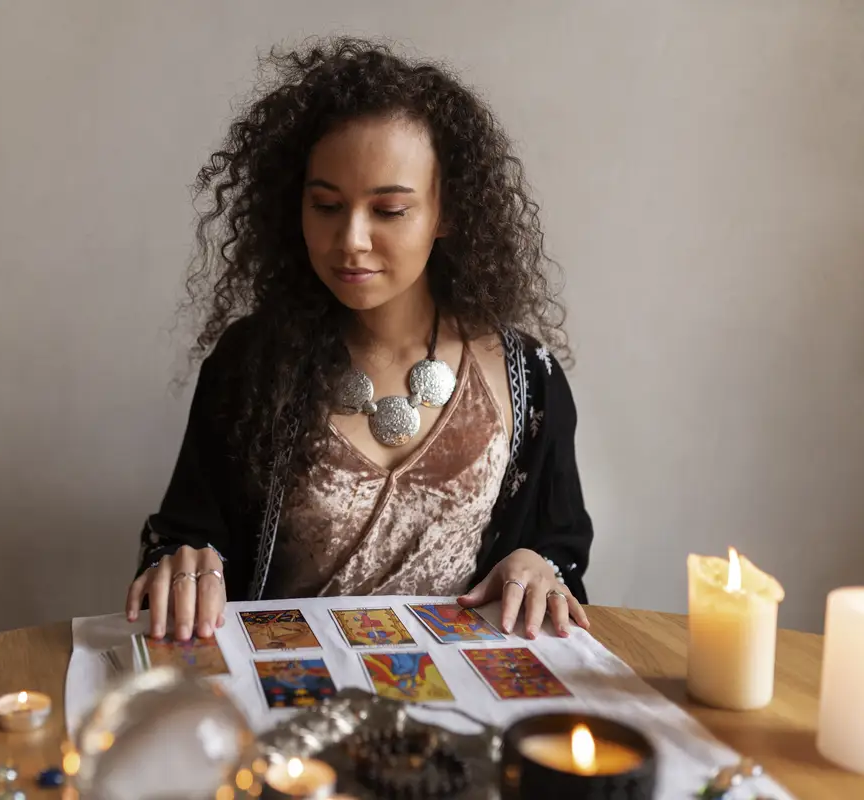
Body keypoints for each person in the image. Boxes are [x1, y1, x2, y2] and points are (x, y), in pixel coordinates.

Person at [125, 37, 593, 646]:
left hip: (461, 704)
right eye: (325, 205)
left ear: (446, 212)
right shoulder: (251, 365)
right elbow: (185, 534)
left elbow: (562, 553)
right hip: (291, 702)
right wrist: (185, 562)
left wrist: (538, 567)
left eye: (389, 211)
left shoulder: (528, 376)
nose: (351, 239)